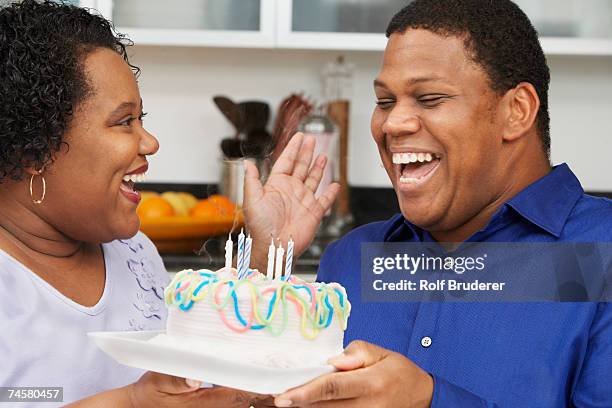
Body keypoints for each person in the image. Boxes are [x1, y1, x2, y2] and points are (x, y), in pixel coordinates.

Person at [244, 0, 612, 406]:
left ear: (516, 111)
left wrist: (429, 400)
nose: (393, 123)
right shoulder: (353, 259)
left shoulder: (600, 254)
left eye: (430, 98)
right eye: (385, 102)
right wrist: (267, 261)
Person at [0, 1, 263, 406]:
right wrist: (132, 402)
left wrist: (265, 250)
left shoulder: (135, 254)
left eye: (141, 119)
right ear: (36, 151)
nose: (149, 142)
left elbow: (195, 376)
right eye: (125, 122)